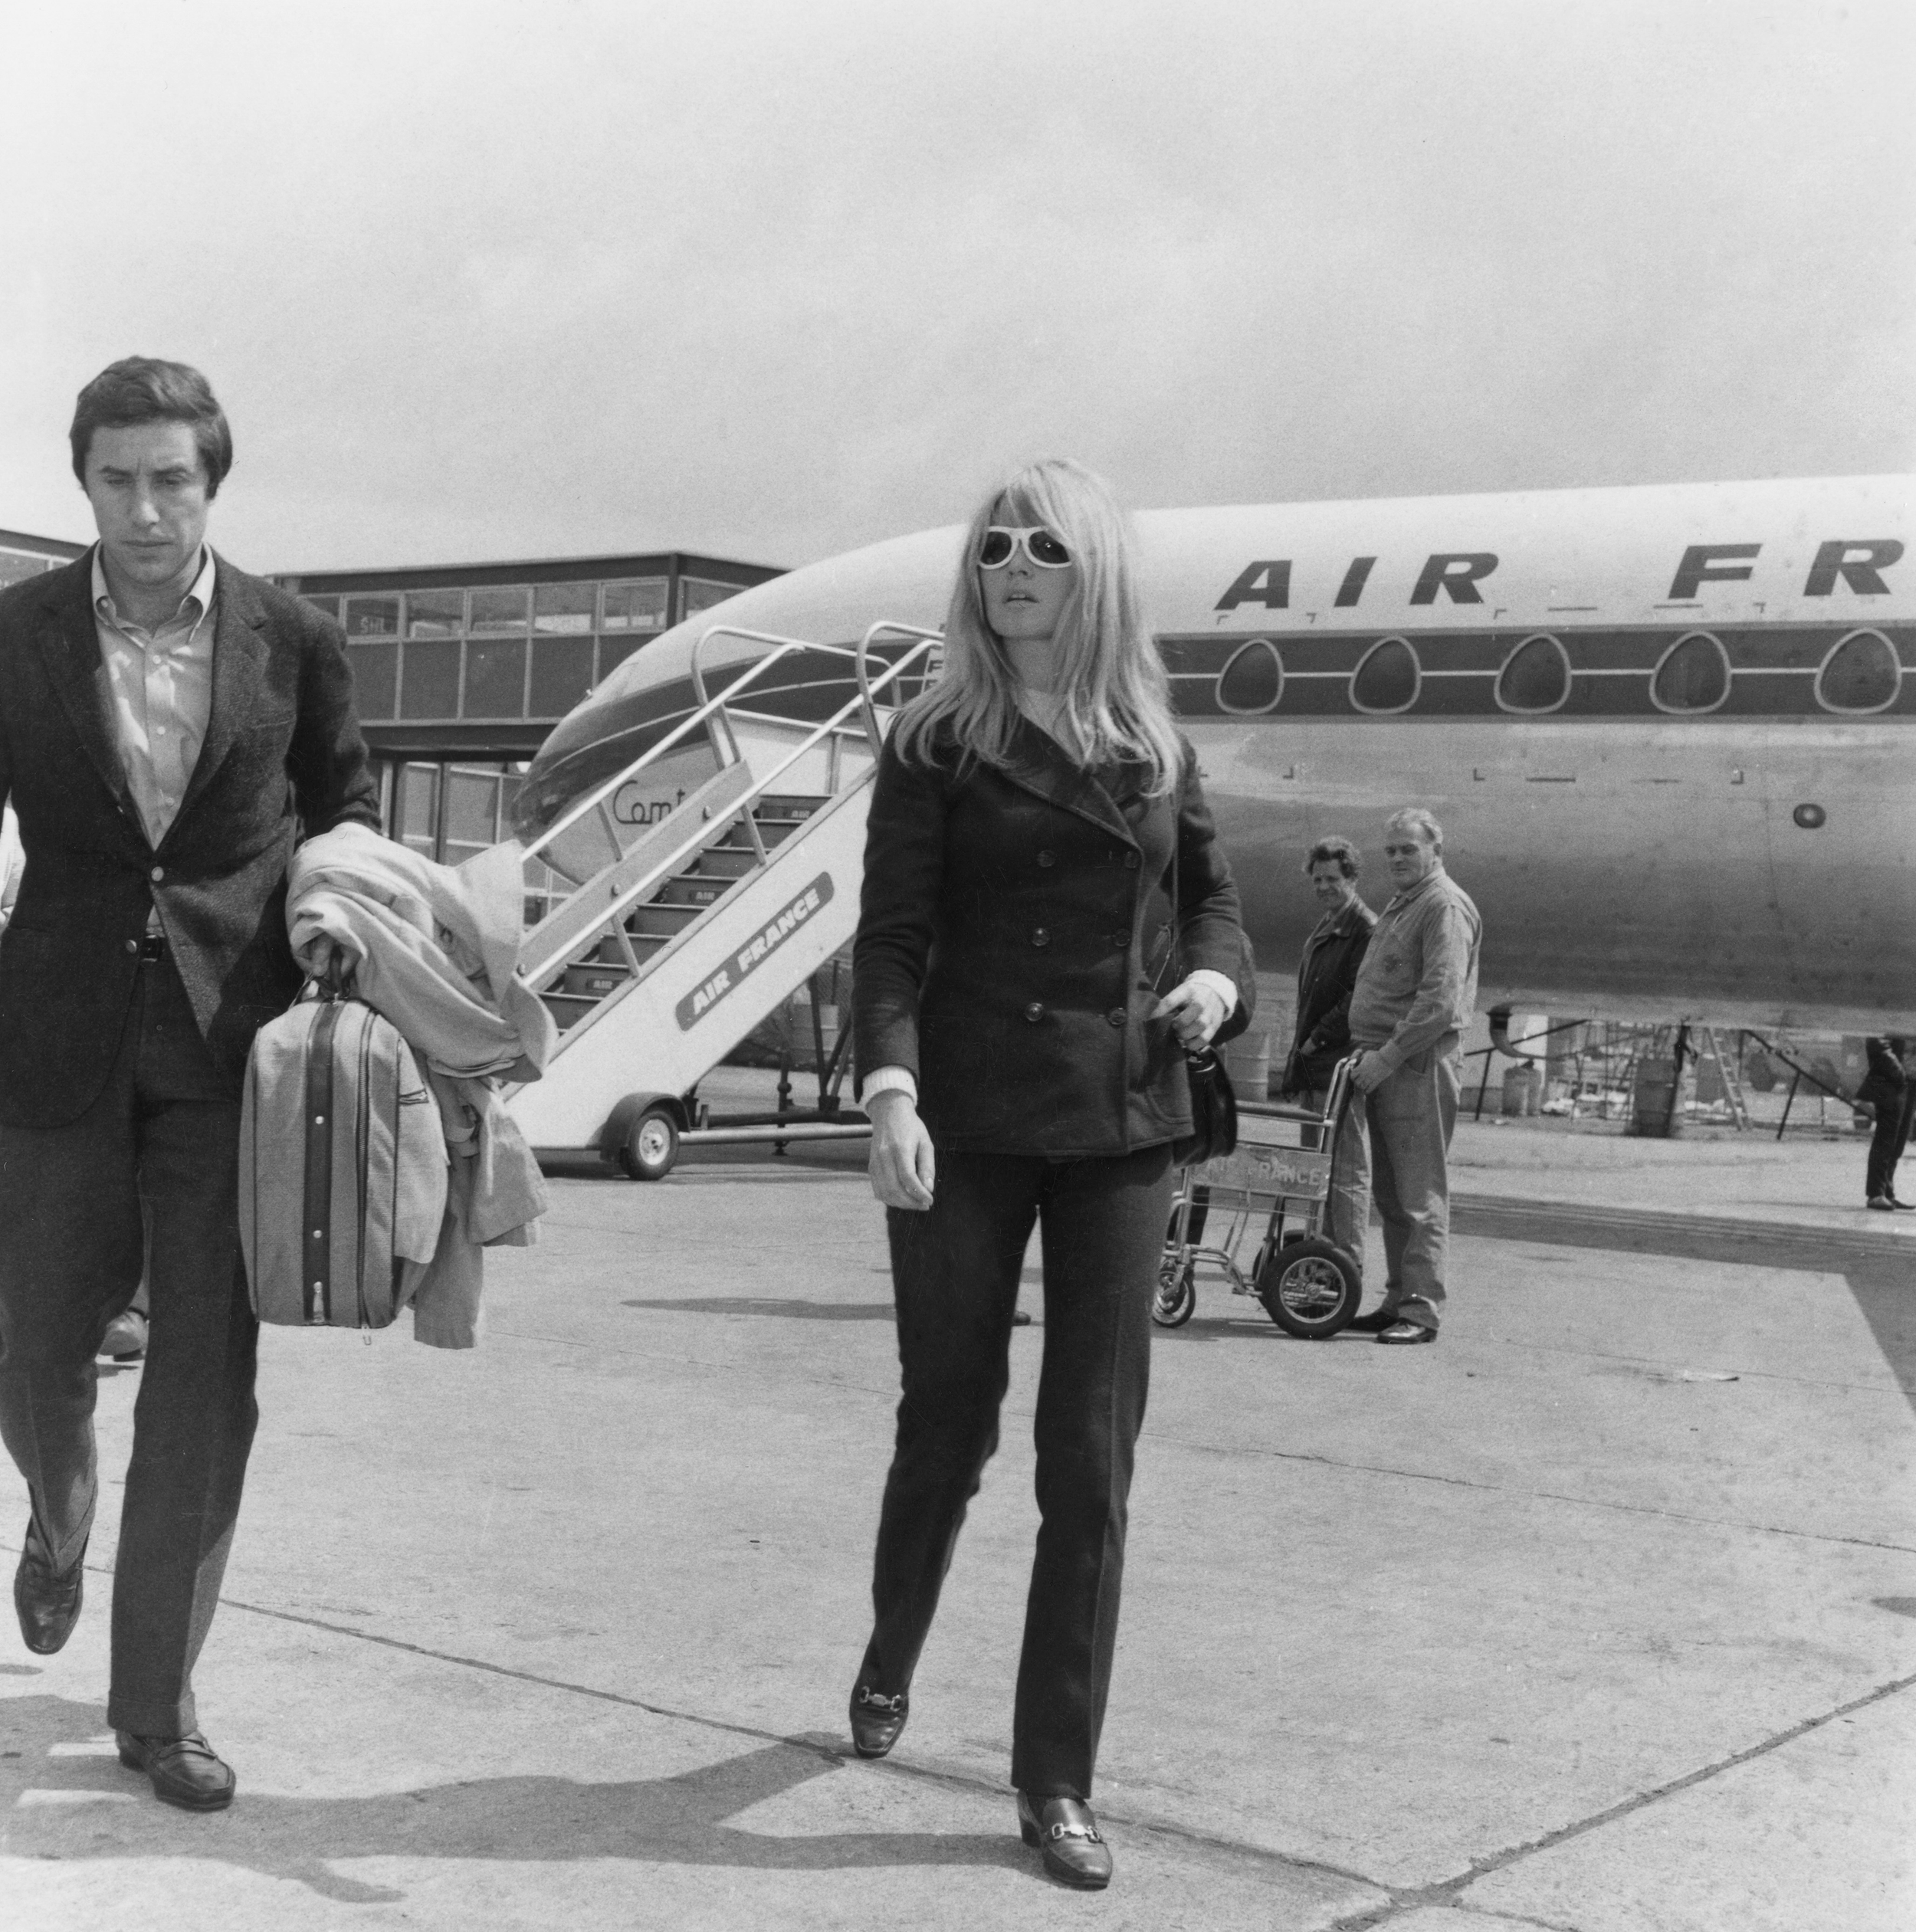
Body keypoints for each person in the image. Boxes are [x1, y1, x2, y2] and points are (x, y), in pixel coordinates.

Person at [850, 458, 1252, 1889]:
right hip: (963, 1114)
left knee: (1090, 1458)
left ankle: (1056, 1777)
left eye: (1044, 547)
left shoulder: (1153, 742)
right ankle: (892, 1645)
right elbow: (892, 937)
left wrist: (1214, 981)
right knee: (948, 1424)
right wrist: (890, 1091)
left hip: (1123, 1118)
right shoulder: (935, 740)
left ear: (1096, 572)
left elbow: (1213, 900)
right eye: (995, 546)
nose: (1013, 566)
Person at [0, 358, 378, 1809]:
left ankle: (158, 1707)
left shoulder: (294, 638)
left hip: (235, 1046)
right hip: (51, 1033)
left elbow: (343, 803)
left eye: (172, 479)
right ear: (83, 484)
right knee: (32, 1346)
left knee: (206, 1380)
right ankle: (57, 1514)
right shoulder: (18, 634)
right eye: (119, 479)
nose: (146, 510)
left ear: (213, 482)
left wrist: (335, 901)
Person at [1328, 808, 1481, 1344]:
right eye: (1391, 849)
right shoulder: (1406, 901)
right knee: (1393, 1195)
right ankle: (1398, 1300)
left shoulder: (1444, 906)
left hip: (1414, 1063)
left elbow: (1440, 1002)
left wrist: (1387, 1057)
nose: (1397, 858)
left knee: (1419, 1192)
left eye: (1408, 849)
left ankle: (1421, 1310)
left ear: (1436, 851)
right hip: (1387, 1062)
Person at [1280, 835, 1377, 1140]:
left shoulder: (1365, 929)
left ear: (1352, 879)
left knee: (1341, 1159)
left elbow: (1358, 998)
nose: (1323, 887)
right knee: (1313, 1158)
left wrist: (1316, 1039)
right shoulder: (1327, 925)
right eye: (1317, 879)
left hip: (1338, 1066)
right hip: (1317, 1067)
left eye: (1332, 879)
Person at [1859, 1037, 1915, 1210]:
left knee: (1897, 1143)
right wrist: (1898, 1069)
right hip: (1890, 1082)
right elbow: (1877, 1042)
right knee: (1886, 1139)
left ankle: (1887, 1193)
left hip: (1908, 1081)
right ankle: (1876, 1194)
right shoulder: (1890, 1022)